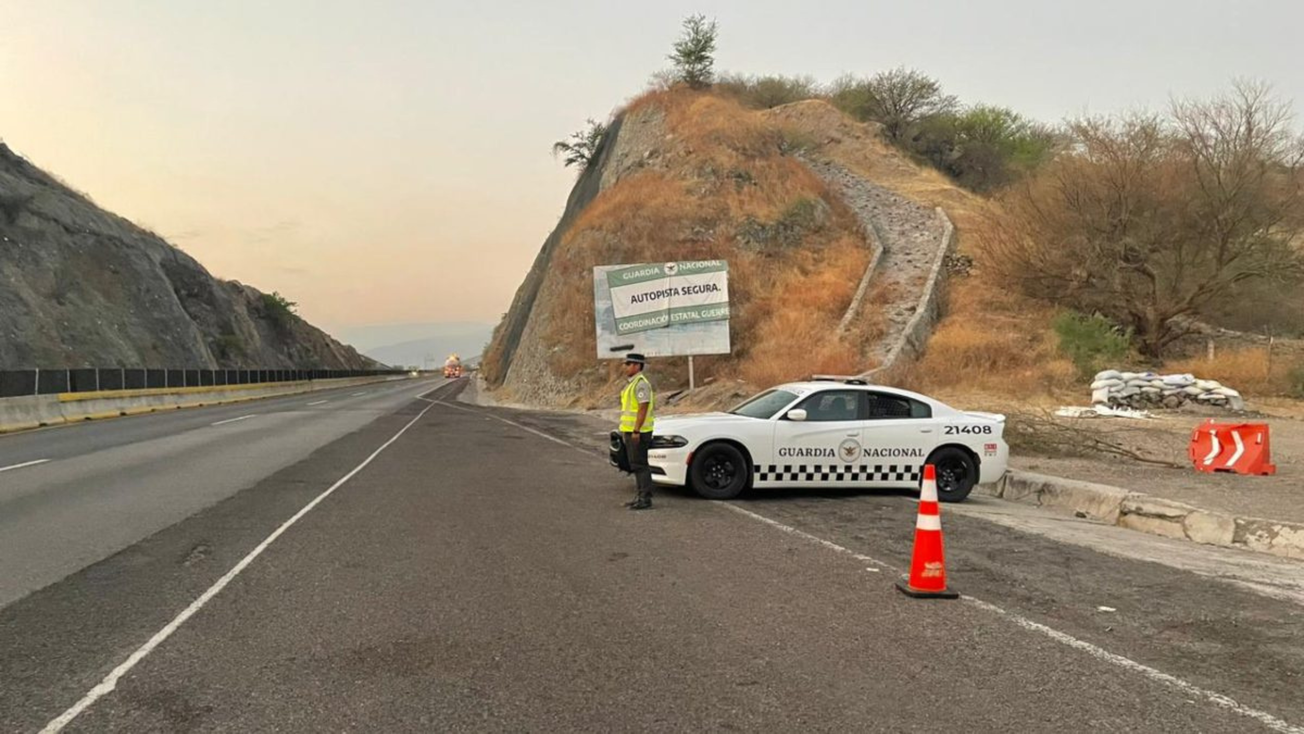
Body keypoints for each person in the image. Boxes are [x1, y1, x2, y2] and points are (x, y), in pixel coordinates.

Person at [619, 353, 655, 510]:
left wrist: (636, 430)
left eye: (628, 364)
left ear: (637, 366)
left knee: (640, 465)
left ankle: (645, 498)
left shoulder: (641, 384)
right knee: (636, 465)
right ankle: (640, 496)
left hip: (638, 431)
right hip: (631, 430)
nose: (625, 367)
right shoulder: (632, 383)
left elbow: (643, 407)